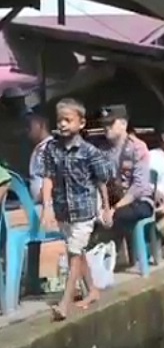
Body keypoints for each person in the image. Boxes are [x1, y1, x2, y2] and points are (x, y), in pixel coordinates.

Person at [41, 98, 113, 320]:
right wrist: (47, 207)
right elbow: (48, 178)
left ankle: (64, 304)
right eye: (60, 120)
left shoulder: (90, 152)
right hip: (64, 210)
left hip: (84, 210)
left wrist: (107, 209)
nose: (62, 124)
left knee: (73, 254)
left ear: (81, 123)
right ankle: (92, 290)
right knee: (77, 252)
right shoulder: (52, 149)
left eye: (67, 120)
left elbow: (102, 181)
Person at [100, 109, 155, 241]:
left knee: (118, 216)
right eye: (104, 124)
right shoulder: (102, 150)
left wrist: (114, 208)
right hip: (113, 200)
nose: (106, 128)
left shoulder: (137, 147)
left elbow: (139, 187)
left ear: (123, 124)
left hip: (139, 201)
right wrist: (105, 207)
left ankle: (121, 253)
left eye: (110, 124)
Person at [26, 114, 54, 201]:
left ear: (41, 125)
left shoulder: (50, 148)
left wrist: (42, 196)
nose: (27, 130)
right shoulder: (39, 147)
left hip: (46, 202)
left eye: (30, 126)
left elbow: (53, 176)